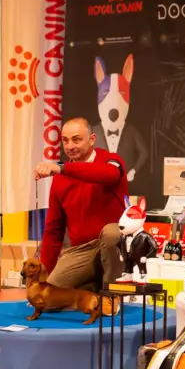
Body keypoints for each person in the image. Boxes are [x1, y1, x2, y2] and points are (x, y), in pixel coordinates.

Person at [36, 117, 127, 291]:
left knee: (111, 233)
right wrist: (43, 275)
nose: (70, 146)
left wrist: (62, 168)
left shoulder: (111, 160)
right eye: (65, 140)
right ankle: (91, 285)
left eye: (76, 140)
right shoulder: (60, 177)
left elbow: (109, 175)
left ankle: (112, 294)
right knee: (51, 294)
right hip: (82, 250)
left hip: (115, 244)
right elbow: (53, 230)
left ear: (92, 139)